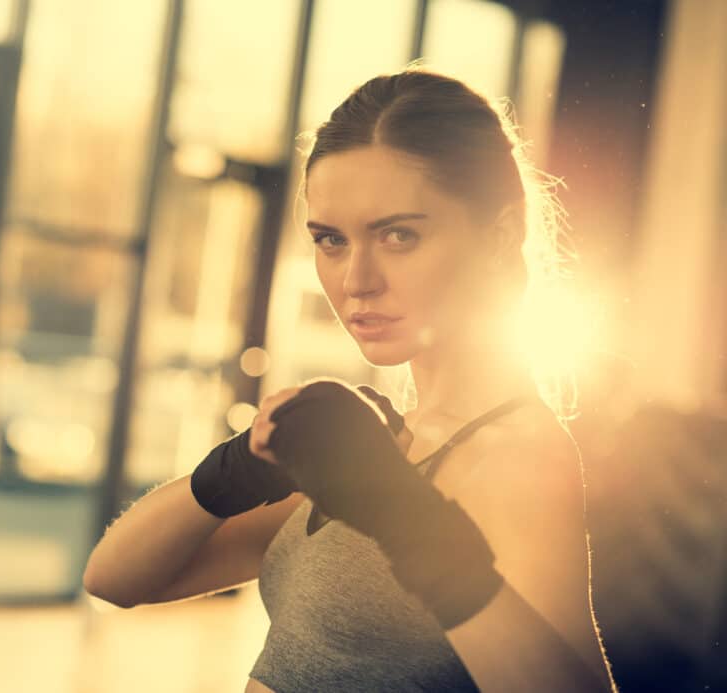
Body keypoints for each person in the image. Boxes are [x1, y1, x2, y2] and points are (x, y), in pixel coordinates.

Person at [82, 68, 618, 692]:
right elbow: (115, 580)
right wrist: (242, 466)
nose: (356, 279)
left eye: (398, 235)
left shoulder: (515, 458)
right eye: (331, 239)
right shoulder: (385, 444)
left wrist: (405, 519)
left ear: (500, 234)